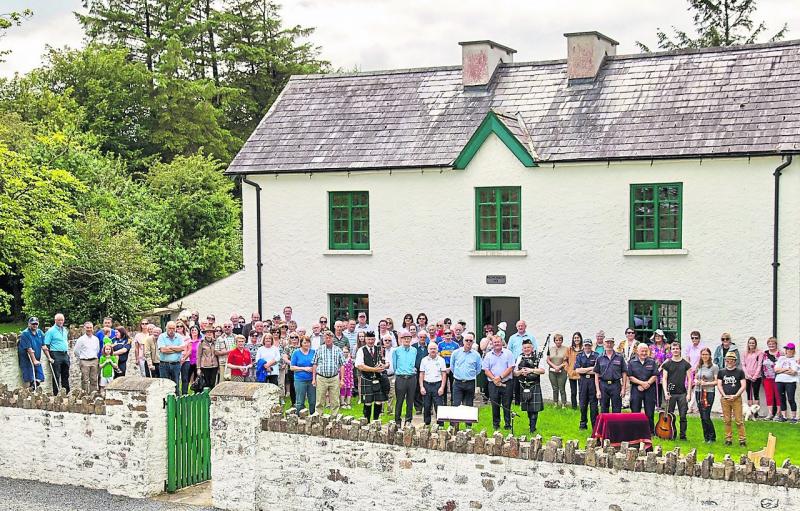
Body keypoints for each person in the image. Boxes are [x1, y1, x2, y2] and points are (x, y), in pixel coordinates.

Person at [449, 332, 482, 429]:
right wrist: (460, 375)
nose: (468, 342)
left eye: (470, 341)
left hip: (470, 383)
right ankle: (455, 427)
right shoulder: (456, 353)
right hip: (458, 382)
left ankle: (468, 428)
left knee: (469, 405)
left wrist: (469, 376)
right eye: (466, 340)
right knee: (456, 404)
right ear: (463, 341)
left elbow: (478, 369)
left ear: (473, 342)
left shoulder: (476, 355)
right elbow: (452, 367)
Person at [482, 335, 515, 430]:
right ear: (492, 344)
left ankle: (508, 424)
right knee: (495, 404)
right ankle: (496, 425)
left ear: (502, 343)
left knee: (507, 404)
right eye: (494, 342)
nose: (496, 344)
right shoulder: (488, 355)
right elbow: (486, 370)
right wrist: (494, 379)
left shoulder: (508, 353)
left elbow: (510, 367)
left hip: (506, 383)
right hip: (493, 384)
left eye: (498, 342)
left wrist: (500, 377)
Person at [661, 342, 693, 440]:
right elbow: (664, 379)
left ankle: (683, 436)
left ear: (680, 350)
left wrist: (688, 393)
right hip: (670, 394)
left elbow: (690, 379)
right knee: (670, 416)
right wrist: (665, 392)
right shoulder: (667, 364)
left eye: (677, 348)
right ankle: (671, 434)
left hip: (682, 394)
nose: (675, 350)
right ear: (671, 350)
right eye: (673, 348)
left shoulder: (686, 364)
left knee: (683, 416)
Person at [514, 339, 545, 433]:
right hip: (523, 386)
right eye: (524, 348)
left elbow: (542, 370)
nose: (526, 349)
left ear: (532, 348)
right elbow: (514, 373)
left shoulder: (538, 358)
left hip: (534, 385)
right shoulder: (519, 358)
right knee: (528, 408)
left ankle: (532, 428)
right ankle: (531, 424)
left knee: (534, 409)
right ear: (522, 349)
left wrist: (530, 370)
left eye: (528, 347)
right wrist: (521, 372)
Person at [717, 351, 747, 446]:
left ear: (735, 361)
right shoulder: (721, 372)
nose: (729, 361)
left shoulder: (740, 372)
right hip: (725, 398)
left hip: (736, 399)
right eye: (727, 360)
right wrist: (724, 395)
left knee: (739, 420)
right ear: (725, 360)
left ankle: (742, 440)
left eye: (731, 360)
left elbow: (743, 385)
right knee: (727, 420)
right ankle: (728, 439)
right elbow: (719, 385)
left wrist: (736, 395)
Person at [356, 331, 388, 420]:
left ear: (375, 339)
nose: (370, 341)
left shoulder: (379, 349)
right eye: (368, 339)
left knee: (378, 402)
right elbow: (359, 365)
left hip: (379, 379)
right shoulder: (361, 350)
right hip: (367, 379)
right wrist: (374, 369)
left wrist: (384, 366)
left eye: (372, 339)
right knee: (368, 402)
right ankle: (366, 422)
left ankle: (375, 422)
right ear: (365, 339)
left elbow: (387, 363)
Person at [627, 343, 659, 433]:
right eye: (642, 351)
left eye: (646, 351)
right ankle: (635, 431)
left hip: (650, 390)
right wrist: (641, 384)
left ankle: (650, 432)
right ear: (637, 351)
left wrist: (647, 384)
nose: (644, 353)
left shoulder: (652, 362)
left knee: (649, 412)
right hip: (636, 389)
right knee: (635, 411)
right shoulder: (632, 362)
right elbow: (630, 376)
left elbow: (655, 375)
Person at [313, 331, 345, 415]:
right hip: (321, 377)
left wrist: (342, 379)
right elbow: (315, 364)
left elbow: (342, 365)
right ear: (324, 338)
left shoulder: (338, 350)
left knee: (335, 400)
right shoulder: (319, 349)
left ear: (333, 339)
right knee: (319, 400)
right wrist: (313, 379)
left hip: (334, 378)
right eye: (326, 338)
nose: (328, 339)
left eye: (330, 338)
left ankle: (334, 419)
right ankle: (318, 418)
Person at [594, 336, 628, 414]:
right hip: (603, 385)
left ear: (613, 344)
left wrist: (623, 388)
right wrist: (598, 390)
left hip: (615, 385)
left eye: (611, 343)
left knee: (617, 409)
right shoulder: (600, 357)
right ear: (604, 344)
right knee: (604, 409)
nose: (609, 344)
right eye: (607, 342)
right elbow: (596, 374)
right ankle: (605, 426)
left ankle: (616, 426)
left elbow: (624, 373)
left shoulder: (619, 357)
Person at [507, 320, 537, 406]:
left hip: (529, 361)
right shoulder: (512, 338)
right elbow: (509, 350)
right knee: (517, 383)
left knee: (528, 381)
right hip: (517, 361)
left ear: (525, 326)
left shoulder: (531, 337)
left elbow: (535, 349)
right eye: (519, 326)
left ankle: (528, 400)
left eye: (522, 326)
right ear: (516, 327)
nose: (520, 327)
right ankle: (517, 402)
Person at [391, 330, 417, 426]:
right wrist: (398, 373)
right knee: (399, 400)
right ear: (401, 339)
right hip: (401, 378)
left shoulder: (414, 350)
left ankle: (408, 420)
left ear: (411, 339)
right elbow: (394, 365)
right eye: (404, 338)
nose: (406, 340)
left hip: (411, 378)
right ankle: (397, 420)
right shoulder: (396, 351)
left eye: (408, 338)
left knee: (410, 401)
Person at [693, 347, 718, 443]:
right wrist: (696, 381)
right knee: (701, 415)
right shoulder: (699, 366)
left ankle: (712, 437)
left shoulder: (714, 367)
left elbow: (716, 381)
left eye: (706, 354)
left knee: (706, 415)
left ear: (709, 355)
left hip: (709, 392)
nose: (704, 356)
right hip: (698, 391)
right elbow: (695, 377)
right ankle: (706, 437)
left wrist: (706, 384)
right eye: (703, 354)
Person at [419, 341, 447, 426]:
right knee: (427, 406)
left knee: (439, 407)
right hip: (426, 385)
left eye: (434, 349)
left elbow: (444, 374)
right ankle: (427, 424)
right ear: (428, 350)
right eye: (431, 349)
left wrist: (442, 387)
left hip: (437, 385)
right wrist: (421, 387)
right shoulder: (424, 360)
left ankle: (440, 425)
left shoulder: (441, 360)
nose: (433, 350)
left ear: (437, 350)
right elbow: (421, 374)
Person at [575, 337, 599, 430]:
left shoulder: (596, 356)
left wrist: (584, 370)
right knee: (583, 404)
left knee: (594, 404)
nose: (587, 347)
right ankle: (583, 424)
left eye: (589, 345)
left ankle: (595, 425)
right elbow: (577, 370)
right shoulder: (579, 356)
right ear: (583, 346)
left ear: (591, 346)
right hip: (583, 381)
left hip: (593, 381)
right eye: (586, 345)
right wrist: (590, 368)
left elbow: (597, 371)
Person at [43, 313, 70, 395]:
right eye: (59, 320)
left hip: (65, 354)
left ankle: (66, 392)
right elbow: (46, 345)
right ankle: (56, 393)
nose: (61, 321)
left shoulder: (65, 330)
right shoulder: (51, 331)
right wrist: (49, 357)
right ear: (55, 321)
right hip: (55, 354)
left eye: (62, 320)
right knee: (56, 375)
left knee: (66, 374)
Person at [774, 343, 799, 423]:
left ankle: (794, 418)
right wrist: (786, 369)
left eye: (790, 349)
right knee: (782, 399)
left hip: (791, 382)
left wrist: (781, 370)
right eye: (787, 349)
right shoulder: (781, 358)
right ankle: (784, 417)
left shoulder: (795, 361)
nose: (788, 351)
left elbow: (793, 372)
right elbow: (776, 370)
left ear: (793, 351)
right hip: (780, 381)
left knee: (791, 399)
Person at [291, 336, 316, 414]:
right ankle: (299, 417)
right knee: (300, 401)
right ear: (301, 343)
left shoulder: (313, 352)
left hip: (311, 379)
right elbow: (292, 367)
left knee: (312, 401)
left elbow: (316, 363)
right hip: (300, 379)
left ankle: (313, 417)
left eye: (308, 342)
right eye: (305, 342)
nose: (306, 344)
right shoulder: (296, 353)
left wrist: (314, 369)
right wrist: (304, 368)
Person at [18, 317, 45, 390]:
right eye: (33, 324)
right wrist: (34, 361)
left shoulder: (40, 332)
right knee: (30, 378)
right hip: (27, 359)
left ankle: (34, 387)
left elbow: (44, 346)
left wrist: (49, 357)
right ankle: (30, 393)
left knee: (40, 377)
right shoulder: (25, 334)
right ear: (29, 324)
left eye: (36, 323)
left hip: (36, 358)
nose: (35, 325)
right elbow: (29, 349)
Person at [158, 321, 185, 391]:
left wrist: (170, 347)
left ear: (175, 329)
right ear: (166, 328)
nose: (171, 330)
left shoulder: (179, 337)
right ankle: (165, 401)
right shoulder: (161, 336)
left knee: (176, 384)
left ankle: (176, 400)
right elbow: (163, 350)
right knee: (164, 385)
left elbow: (182, 348)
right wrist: (176, 349)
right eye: (170, 328)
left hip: (176, 364)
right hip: (164, 364)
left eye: (173, 328)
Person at [73, 322, 100, 393]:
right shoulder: (81, 340)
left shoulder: (96, 339)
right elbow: (76, 351)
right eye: (87, 328)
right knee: (85, 380)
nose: (89, 329)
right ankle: (85, 395)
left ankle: (93, 394)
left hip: (94, 360)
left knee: (94, 379)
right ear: (84, 328)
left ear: (93, 328)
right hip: (84, 361)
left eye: (90, 328)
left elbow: (97, 350)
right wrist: (82, 358)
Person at [761, 337, 782, 420]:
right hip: (767, 378)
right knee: (769, 395)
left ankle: (778, 413)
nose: (771, 345)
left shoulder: (781, 354)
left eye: (773, 343)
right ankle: (770, 414)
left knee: (778, 395)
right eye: (769, 344)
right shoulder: (765, 354)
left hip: (778, 378)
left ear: (776, 344)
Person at [437, 329, 459, 405]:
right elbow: (438, 356)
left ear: (452, 334)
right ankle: (444, 402)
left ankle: (453, 402)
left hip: (453, 366)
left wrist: (451, 368)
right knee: (444, 384)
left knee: (454, 385)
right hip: (443, 366)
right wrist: (443, 368)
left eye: (449, 333)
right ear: (443, 335)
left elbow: (457, 357)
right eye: (446, 333)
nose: (447, 335)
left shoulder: (456, 345)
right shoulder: (440, 344)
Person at [546, 333, 569, 407]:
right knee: (555, 388)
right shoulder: (551, 349)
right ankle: (555, 403)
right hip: (552, 371)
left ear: (562, 341)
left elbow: (566, 361)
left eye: (560, 340)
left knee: (562, 388)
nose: (558, 341)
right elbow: (548, 360)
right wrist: (554, 366)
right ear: (554, 341)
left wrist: (559, 366)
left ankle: (563, 404)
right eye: (556, 340)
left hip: (562, 371)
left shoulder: (566, 349)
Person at [742, 337, 763, 415]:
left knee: (755, 394)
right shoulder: (745, 353)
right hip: (747, 376)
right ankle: (750, 412)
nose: (751, 344)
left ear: (755, 344)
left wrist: (755, 375)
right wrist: (747, 374)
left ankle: (755, 413)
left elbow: (759, 365)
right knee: (749, 394)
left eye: (753, 343)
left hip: (756, 377)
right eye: (750, 343)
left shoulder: (759, 353)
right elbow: (743, 365)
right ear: (748, 344)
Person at [684, 330, 703, 413]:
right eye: (693, 338)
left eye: (696, 338)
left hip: (698, 370)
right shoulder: (689, 347)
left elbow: (702, 359)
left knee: (696, 388)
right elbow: (687, 358)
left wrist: (696, 368)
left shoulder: (702, 348)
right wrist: (689, 368)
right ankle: (691, 407)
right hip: (690, 370)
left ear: (699, 339)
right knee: (689, 388)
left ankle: (692, 407)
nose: (694, 340)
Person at [650, 330, 669, 410]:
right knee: (654, 386)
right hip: (654, 369)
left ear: (662, 337)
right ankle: (655, 404)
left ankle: (664, 405)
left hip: (664, 369)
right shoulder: (651, 347)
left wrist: (661, 367)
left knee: (663, 385)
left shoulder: (666, 346)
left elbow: (668, 358)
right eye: (656, 336)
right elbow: (649, 358)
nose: (657, 337)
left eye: (659, 336)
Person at [565, 333, 582, 409]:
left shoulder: (583, 349)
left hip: (581, 373)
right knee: (573, 392)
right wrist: (568, 369)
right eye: (575, 338)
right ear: (573, 339)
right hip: (572, 373)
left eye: (578, 338)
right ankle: (574, 407)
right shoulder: (570, 349)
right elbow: (565, 361)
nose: (576, 339)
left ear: (580, 338)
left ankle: (582, 406)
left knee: (582, 392)